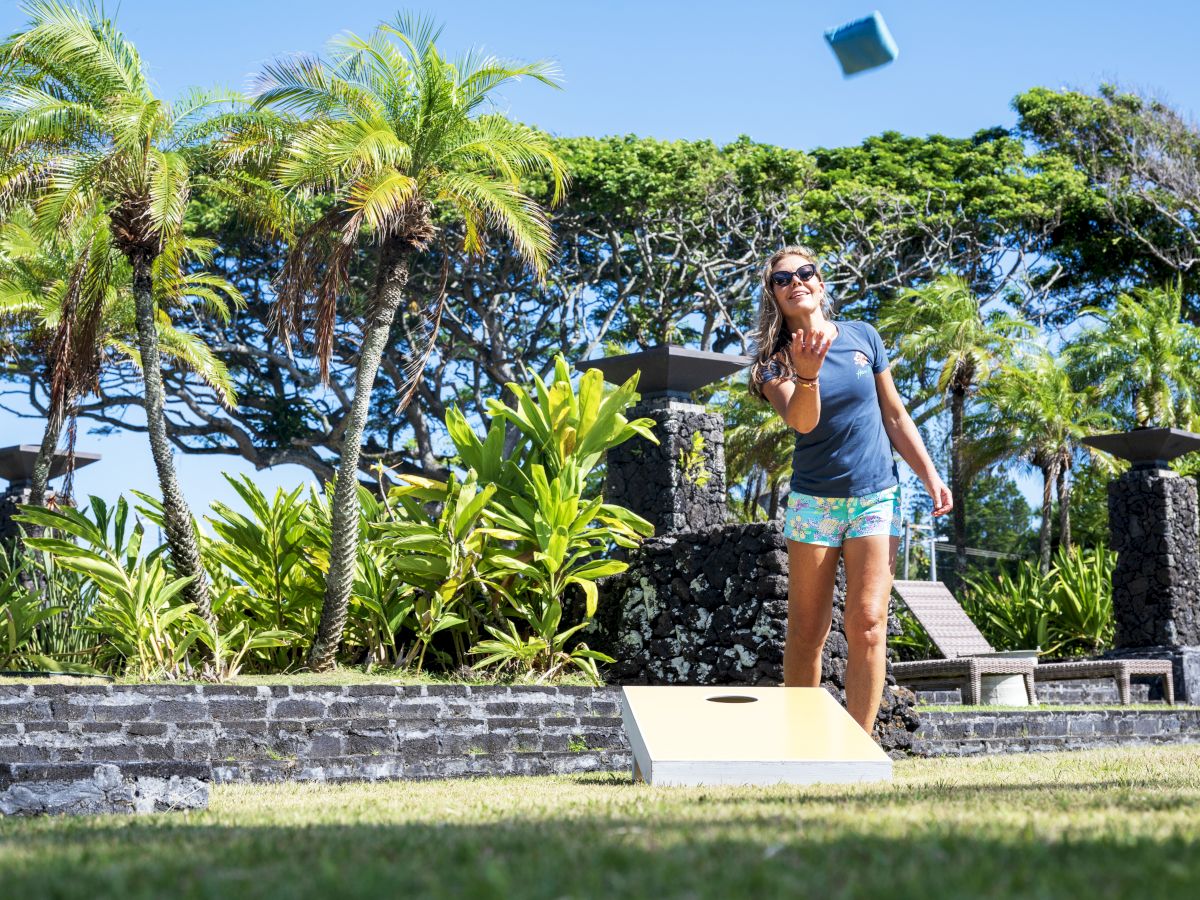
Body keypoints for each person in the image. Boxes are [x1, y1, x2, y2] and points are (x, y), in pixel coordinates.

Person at [749, 245, 952, 733]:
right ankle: (803, 743)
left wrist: (930, 475)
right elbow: (803, 422)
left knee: (866, 623)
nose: (796, 281)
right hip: (814, 503)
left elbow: (895, 414)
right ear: (774, 296)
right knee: (806, 634)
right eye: (783, 279)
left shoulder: (863, 336)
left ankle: (861, 748)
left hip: (876, 496)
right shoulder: (771, 365)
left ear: (820, 284)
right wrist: (808, 374)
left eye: (805, 272)